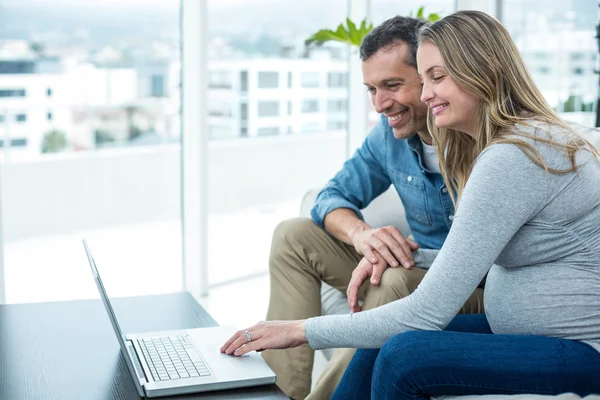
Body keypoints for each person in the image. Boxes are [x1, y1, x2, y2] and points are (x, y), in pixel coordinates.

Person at [221, 10, 600, 399]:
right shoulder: (508, 145)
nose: (426, 94)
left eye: (437, 78)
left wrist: (298, 329)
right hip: (531, 336)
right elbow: (468, 253)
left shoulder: (513, 156)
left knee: (403, 353)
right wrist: (390, 250)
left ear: (482, 70)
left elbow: (424, 312)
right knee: (381, 340)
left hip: (582, 350)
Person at [257, 16, 484, 400]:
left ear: (432, 76)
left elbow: (480, 262)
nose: (380, 104)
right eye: (372, 89)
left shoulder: (480, 141)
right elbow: (330, 197)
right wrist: (363, 236)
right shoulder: (388, 136)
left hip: (470, 286)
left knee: (395, 278)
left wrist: (396, 257)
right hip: (413, 266)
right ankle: (282, 393)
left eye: (392, 85)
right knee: (292, 236)